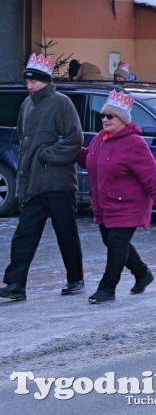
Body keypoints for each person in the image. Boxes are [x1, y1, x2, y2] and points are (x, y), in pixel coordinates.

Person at [76, 91, 156, 303]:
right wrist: (70, 149)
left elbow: (153, 178)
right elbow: (87, 159)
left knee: (116, 243)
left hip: (129, 205)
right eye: (103, 115)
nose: (104, 119)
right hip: (104, 203)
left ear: (122, 119)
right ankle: (142, 273)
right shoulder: (100, 138)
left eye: (110, 116)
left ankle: (107, 288)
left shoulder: (134, 144)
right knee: (110, 241)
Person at [1, 55, 84, 302]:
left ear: (46, 80)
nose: (30, 86)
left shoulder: (62, 103)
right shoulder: (26, 104)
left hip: (59, 184)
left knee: (66, 233)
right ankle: (16, 284)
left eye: (34, 82)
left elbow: (74, 139)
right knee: (24, 234)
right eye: (27, 82)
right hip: (34, 184)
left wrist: (47, 155)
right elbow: (24, 142)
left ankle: (75, 279)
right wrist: (23, 180)